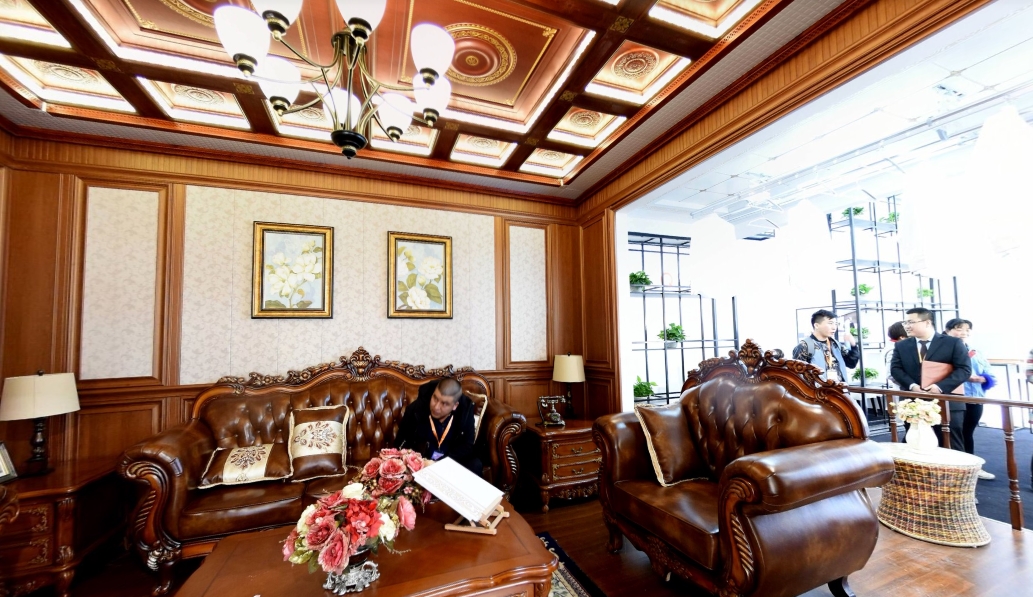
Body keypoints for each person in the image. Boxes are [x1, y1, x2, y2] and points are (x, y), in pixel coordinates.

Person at [890, 308, 971, 450]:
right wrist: (912, 386)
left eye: (911, 322)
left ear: (927, 322)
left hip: (946, 401)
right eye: (905, 322)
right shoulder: (901, 345)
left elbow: (964, 370)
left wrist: (939, 387)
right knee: (915, 443)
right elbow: (896, 369)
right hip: (913, 402)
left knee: (951, 444)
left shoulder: (953, 343)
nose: (907, 326)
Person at [395, 378, 483, 476]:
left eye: (444, 403)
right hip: (422, 463)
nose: (436, 407)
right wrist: (419, 461)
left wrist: (440, 463)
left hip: (450, 462)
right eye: (435, 398)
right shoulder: (415, 409)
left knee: (475, 465)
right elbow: (401, 443)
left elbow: (467, 446)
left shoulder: (465, 414)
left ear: (455, 406)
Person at [945, 318, 995, 479]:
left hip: (976, 396)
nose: (963, 333)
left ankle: (973, 468)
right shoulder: (943, 349)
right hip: (955, 397)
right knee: (955, 433)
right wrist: (966, 377)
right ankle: (957, 469)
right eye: (959, 329)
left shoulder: (976, 351)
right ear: (948, 331)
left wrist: (984, 378)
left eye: (967, 330)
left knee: (968, 432)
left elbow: (989, 372)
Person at [792, 309, 860, 383]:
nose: (834, 327)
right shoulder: (805, 346)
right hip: (818, 389)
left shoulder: (835, 344)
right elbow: (797, 375)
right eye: (830, 323)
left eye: (836, 324)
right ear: (816, 325)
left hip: (839, 388)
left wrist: (853, 345)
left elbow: (851, 364)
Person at [883, 321, 908, 388]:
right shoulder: (892, 350)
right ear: (902, 337)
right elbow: (890, 374)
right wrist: (910, 385)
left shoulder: (893, 347)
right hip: (902, 389)